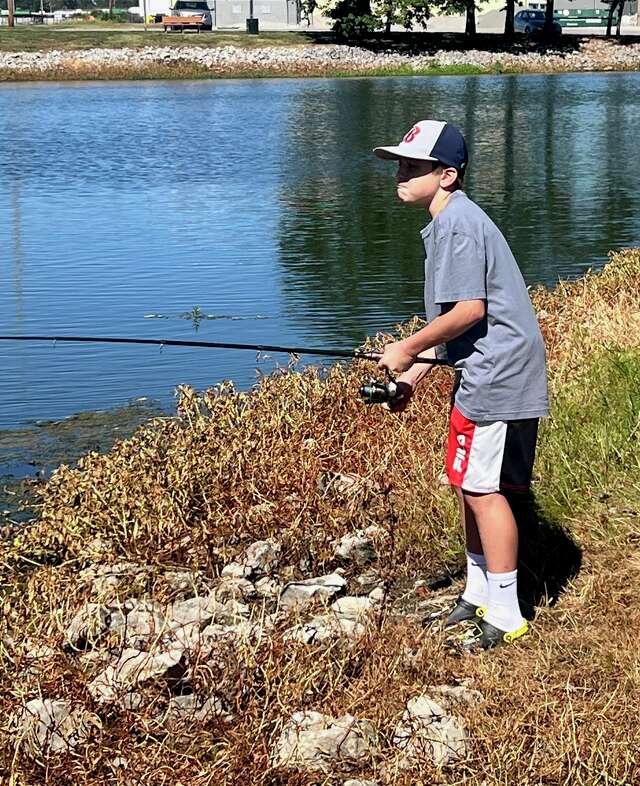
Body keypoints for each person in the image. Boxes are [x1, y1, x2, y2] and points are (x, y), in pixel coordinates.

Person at [373, 120, 549, 650]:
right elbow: (456, 325)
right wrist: (410, 377)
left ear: (447, 175)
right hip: (484, 369)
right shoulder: (449, 221)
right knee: (468, 483)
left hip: (497, 375)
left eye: (413, 167)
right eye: (400, 164)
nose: (400, 175)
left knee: (482, 489)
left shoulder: (458, 225)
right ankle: (476, 594)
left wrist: (403, 347)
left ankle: (507, 612)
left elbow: (471, 310)